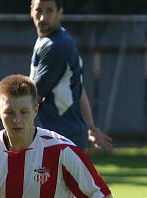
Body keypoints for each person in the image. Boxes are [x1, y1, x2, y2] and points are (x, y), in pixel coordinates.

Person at [29, 0, 113, 151]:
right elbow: (79, 89)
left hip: (58, 138)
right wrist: (91, 127)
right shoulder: (54, 39)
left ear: (60, 12)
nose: (42, 17)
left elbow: (33, 97)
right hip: (66, 136)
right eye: (39, 10)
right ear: (31, 10)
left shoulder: (56, 46)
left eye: (49, 11)